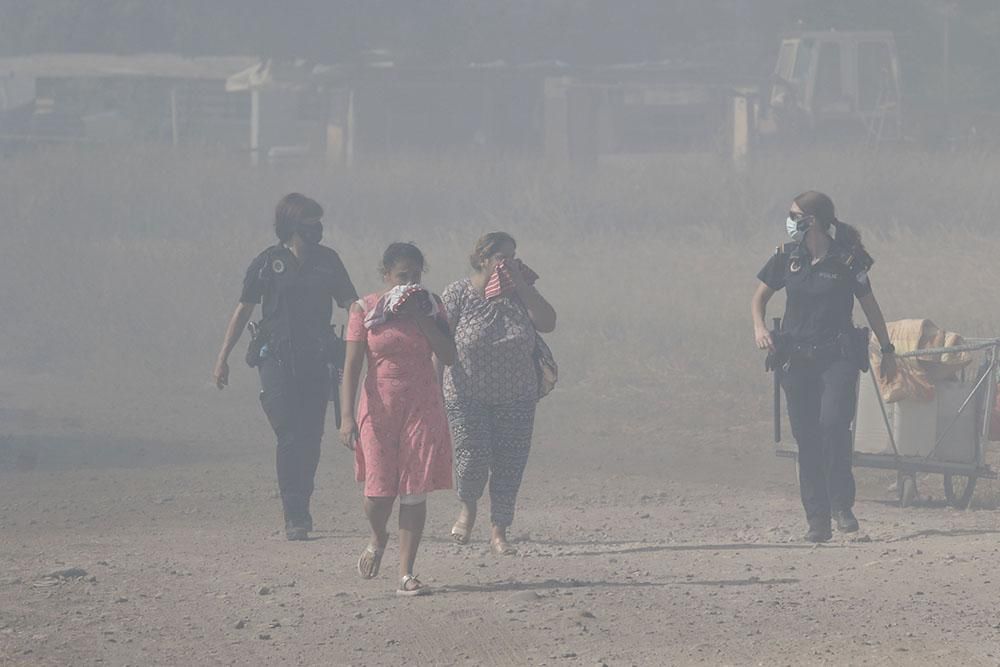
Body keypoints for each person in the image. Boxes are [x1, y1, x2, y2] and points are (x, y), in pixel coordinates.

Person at [751, 191, 897, 543]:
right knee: (807, 439)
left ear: (811, 221)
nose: (789, 220)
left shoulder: (848, 261)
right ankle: (817, 520)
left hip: (837, 357)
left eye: (793, 214)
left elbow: (870, 306)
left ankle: (841, 504)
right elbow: (759, 297)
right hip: (797, 360)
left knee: (833, 425)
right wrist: (759, 328)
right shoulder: (788, 257)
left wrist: (887, 348)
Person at [212, 193, 357, 541]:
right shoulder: (267, 263)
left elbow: (350, 302)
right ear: (292, 226)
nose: (316, 229)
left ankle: (302, 501)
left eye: (318, 222)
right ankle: (294, 513)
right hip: (275, 358)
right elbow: (244, 308)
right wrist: (223, 357)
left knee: (311, 438)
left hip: (317, 359)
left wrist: (365, 331)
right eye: (309, 223)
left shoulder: (329, 261)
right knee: (288, 433)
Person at [339, 243, 455, 596]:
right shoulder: (364, 309)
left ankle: (406, 572)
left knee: (413, 489)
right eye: (402, 276)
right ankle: (378, 535)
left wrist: (422, 317)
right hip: (379, 407)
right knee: (378, 492)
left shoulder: (432, 305)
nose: (409, 282)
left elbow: (449, 355)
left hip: (422, 405)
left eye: (416, 276)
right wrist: (346, 417)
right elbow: (352, 367)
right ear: (386, 275)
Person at [442, 232, 557, 556]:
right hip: (465, 394)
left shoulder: (519, 294)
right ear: (483, 259)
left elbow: (548, 322)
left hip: (517, 394)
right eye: (502, 257)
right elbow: (440, 344)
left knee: (510, 464)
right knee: (471, 459)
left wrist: (521, 284)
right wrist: (432, 390)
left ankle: (499, 530)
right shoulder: (458, 294)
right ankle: (467, 508)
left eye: (513, 256)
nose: (509, 263)